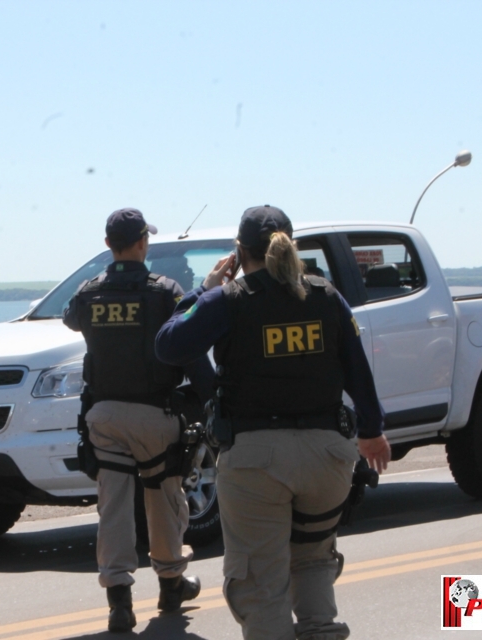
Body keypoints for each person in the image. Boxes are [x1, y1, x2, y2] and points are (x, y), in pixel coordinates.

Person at [155, 205, 391, 640]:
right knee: (314, 557)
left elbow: (168, 344)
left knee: (261, 582)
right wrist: (373, 432)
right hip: (327, 457)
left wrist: (203, 290)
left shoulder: (230, 299)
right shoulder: (325, 294)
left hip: (256, 463)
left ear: (240, 253)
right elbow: (358, 368)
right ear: (291, 246)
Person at [63, 207, 213, 633]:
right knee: (164, 498)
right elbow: (190, 347)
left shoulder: (89, 292)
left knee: (113, 506)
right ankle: (171, 586)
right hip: (155, 414)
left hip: (104, 416)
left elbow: (70, 318)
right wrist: (214, 399)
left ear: (109, 246)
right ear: (143, 242)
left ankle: (119, 604)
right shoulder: (164, 291)